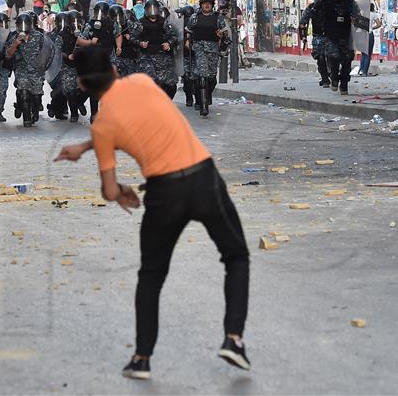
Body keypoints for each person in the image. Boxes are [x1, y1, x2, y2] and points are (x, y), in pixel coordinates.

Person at [54, 46, 251, 380]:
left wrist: (119, 189)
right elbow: (139, 117)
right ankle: (233, 339)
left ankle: (142, 358)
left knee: (151, 276)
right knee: (236, 256)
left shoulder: (103, 126)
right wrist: (89, 146)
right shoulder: (143, 82)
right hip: (204, 181)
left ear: (83, 86)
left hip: (164, 195)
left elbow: (110, 187)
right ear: (115, 71)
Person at [311, 0, 362, 94]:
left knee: (347, 59)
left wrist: (356, 18)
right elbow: (314, 11)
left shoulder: (347, 0)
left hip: (346, 34)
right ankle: (334, 78)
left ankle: (344, 84)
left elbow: (357, 11)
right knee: (333, 58)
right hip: (330, 35)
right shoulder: (325, 1)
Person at [77, 1, 122, 121]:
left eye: (102, 13)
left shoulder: (112, 24)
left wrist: (119, 47)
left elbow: (118, 35)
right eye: (98, 12)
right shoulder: (90, 25)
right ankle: (94, 113)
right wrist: (91, 42)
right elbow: (80, 41)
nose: (100, 15)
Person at [186, 0, 229, 116]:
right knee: (202, 75)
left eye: (209, 4)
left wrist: (223, 42)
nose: (206, 6)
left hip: (213, 50)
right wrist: (188, 42)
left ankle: (208, 95)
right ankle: (203, 105)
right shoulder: (195, 17)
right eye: (204, 4)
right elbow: (188, 31)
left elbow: (225, 34)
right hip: (199, 49)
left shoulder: (218, 18)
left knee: (211, 78)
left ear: (212, 5)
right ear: (201, 5)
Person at [4, 12, 45, 127]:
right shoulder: (13, 37)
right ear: (17, 25)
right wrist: (15, 44)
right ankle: (26, 119)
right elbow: (8, 55)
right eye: (21, 24)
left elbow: (47, 52)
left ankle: (35, 112)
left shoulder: (38, 36)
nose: (23, 27)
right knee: (24, 94)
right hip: (21, 71)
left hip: (36, 72)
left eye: (25, 24)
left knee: (36, 97)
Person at [133, 0, 178, 99]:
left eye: (154, 9)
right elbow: (132, 38)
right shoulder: (140, 23)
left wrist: (168, 43)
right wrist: (140, 43)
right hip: (146, 56)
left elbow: (174, 36)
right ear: (146, 10)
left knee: (171, 85)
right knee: (152, 81)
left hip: (162, 56)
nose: (152, 11)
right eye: (150, 9)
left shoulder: (163, 22)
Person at [299, 0, 329, 87]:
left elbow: (303, 23)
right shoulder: (313, 8)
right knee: (321, 57)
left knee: (328, 57)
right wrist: (303, 37)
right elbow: (303, 22)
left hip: (328, 35)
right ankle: (325, 79)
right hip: (321, 36)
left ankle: (327, 78)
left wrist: (303, 37)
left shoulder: (330, 5)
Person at [112, 5, 139, 77]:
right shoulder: (109, 25)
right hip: (116, 57)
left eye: (119, 16)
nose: (117, 19)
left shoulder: (129, 23)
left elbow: (138, 34)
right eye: (115, 17)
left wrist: (131, 37)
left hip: (129, 55)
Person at [359, 3, 382, 76]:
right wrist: (372, 28)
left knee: (363, 54)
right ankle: (365, 72)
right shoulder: (374, 14)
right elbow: (379, 24)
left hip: (362, 34)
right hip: (369, 34)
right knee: (368, 54)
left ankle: (361, 70)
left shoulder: (361, 13)